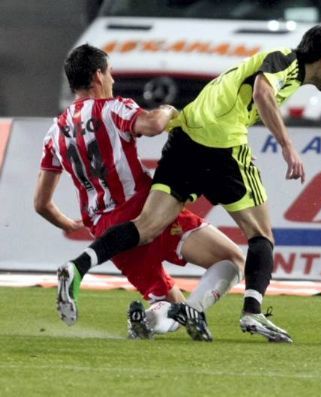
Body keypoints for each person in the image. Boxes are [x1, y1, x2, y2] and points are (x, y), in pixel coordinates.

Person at [57, 25, 321, 343]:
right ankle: (252, 310)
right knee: (261, 235)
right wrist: (287, 145)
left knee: (146, 226)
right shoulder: (286, 61)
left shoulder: (281, 68)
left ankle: (79, 266)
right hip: (222, 145)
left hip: (185, 139)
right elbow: (262, 94)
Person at [34, 44, 245, 341]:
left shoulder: (55, 131)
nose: (113, 80)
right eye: (109, 72)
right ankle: (180, 314)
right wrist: (169, 109)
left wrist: (67, 223)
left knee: (172, 303)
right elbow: (154, 124)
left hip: (106, 230)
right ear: (97, 75)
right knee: (233, 259)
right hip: (146, 211)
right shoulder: (113, 107)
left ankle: (145, 322)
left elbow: (41, 203)